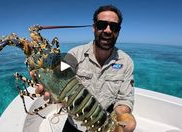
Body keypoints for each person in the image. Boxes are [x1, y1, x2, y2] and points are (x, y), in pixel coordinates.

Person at [32, 4, 136, 132]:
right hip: (75, 125)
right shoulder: (74, 54)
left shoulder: (126, 62)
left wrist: (122, 112)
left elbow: (125, 98)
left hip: (103, 123)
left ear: (118, 31)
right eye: (102, 25)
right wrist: (48, 82)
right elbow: (62, 70)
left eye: (113, 27)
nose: (108, 30)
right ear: (94, 27)